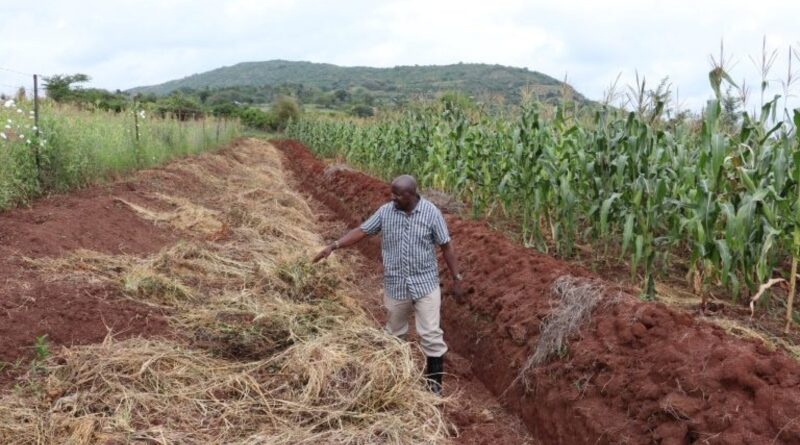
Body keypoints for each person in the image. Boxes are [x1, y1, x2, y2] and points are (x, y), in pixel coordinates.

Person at [313, 174, 464, 395]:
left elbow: (446, 246)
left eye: (397, 194)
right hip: (396, 285)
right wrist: (334, 245)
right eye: (391, 193)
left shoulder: (431, 213)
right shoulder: (386, 213)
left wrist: (456, 278)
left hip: (426, 284)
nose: (392, 197)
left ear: (411, 194)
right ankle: (395, 378)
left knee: (431, 333)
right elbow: (362, 231)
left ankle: (434, 385)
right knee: (394, 333)